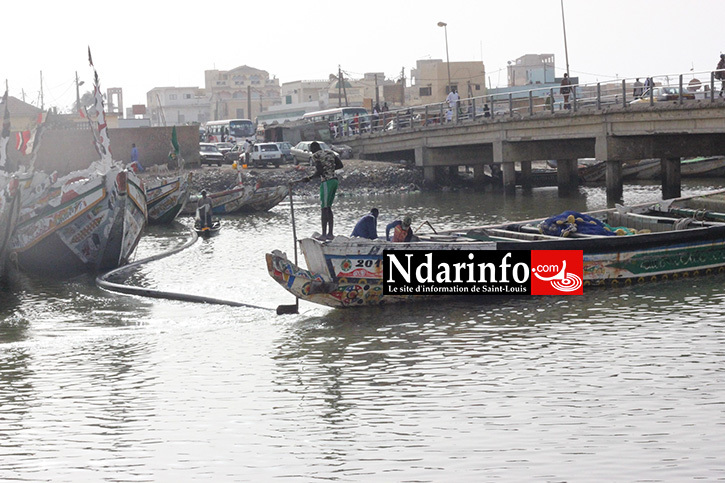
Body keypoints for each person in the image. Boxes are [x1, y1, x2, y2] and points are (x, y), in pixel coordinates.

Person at [301, 141, 343, 240]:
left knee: (324, 208)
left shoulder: (316, 155)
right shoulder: (330, 152)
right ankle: (330, 234)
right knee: (328, 207)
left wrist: (309, 178)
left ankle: (324, 234)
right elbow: (340, 165)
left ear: (313, 149)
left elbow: (319, 171)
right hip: (334, 181)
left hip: (326, 182)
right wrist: (330, 168)